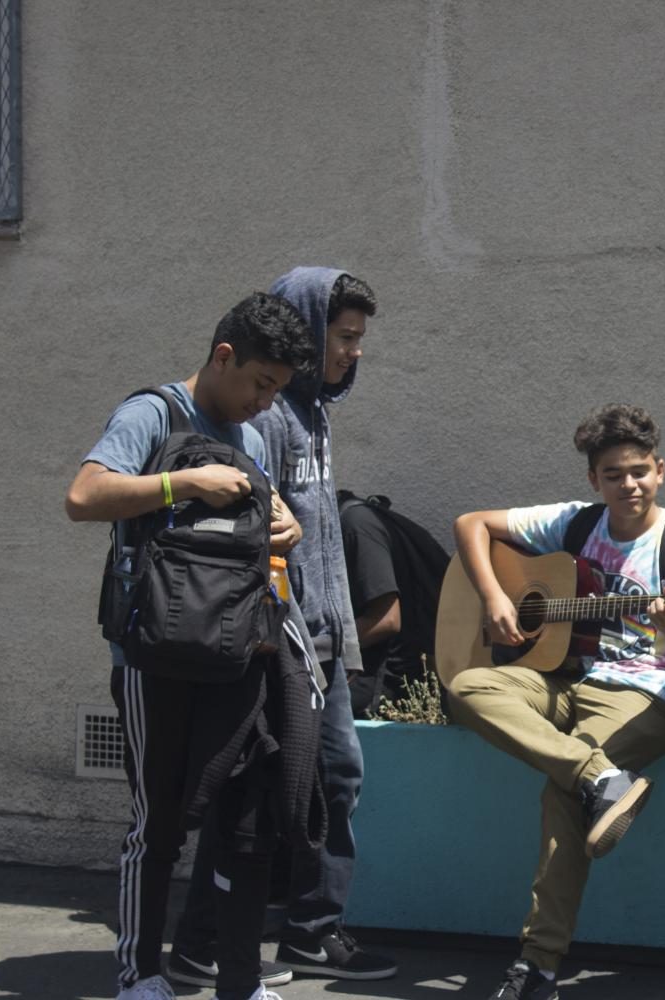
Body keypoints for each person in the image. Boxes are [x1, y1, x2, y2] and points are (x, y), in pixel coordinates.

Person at [65, 292, 318, 1000]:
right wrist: (184, 482)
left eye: (278, 391)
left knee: (244, 821)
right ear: (223, 356)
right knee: (160, 823)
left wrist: (287, 528)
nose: (265, 404)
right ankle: (139, 976)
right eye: (260, 384)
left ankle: (242, 980)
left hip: (241, 654)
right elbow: (84, 498)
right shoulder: (153, 413)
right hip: (155, 657)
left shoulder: (255, 436)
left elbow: (266, 521)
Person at [445, 404, 665, 1000]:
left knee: (561, 792)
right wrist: (496, 598)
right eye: (614, 474)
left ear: (661, 471)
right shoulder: (576, 525)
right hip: (567, 681)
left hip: (650, 694)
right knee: (469, 686)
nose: (629, 485)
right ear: (593, 480)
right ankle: (600, 776)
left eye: (640, 471)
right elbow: (471, 522)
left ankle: (539, 967)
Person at [168, 269, 397, 984]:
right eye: (346, 337)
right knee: (259, 790)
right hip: (280, 640)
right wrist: (276, 637)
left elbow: (321, 535)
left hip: (323, 642)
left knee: (334, 780)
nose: (353, 353)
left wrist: (345, 644)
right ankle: (203, 945)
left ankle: (307, 931)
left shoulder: (315, 415)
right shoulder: (265, 412)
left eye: (360, 340)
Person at [337, 491, 450, 718]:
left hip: (389, 682)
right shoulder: (361, 519)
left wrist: (318, 648)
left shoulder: (356, 523)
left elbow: (387, 620)